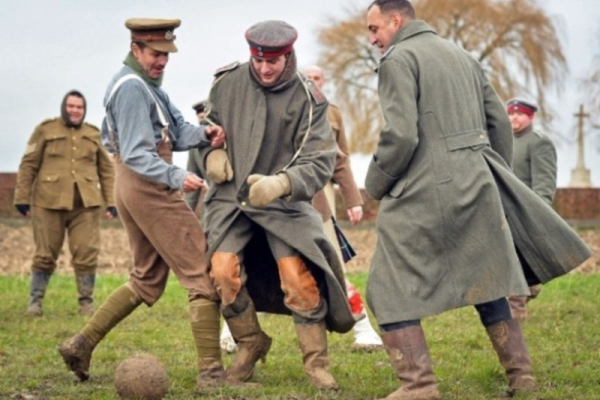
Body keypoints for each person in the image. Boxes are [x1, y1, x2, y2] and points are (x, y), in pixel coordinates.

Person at [364, 1, 591, 399]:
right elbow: (499, 121)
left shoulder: (397, 59)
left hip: (422, 189)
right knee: (486, 280)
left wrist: (376, 184)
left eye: (374, 28)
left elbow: (402, 135)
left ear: (395, 21)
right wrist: (490, 170)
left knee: (385, 285)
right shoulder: (461, 55)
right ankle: (522, 377)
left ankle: (418, 387)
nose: (372, 38)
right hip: (476, 181)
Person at [58, 18, 227, 389]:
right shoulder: (132, 88)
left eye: (166, 54)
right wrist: (176, 177)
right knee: (200, 272)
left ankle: (80, 344)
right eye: (155, 53)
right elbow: (137, 153)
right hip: (148, 184)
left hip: (133, 186)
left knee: (147, 278)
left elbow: (176, 132)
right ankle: (212, 376)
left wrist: (204, 134)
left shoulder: (148, 86)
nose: (162, 61)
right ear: (136, 49)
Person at [198, 20, 354, 390]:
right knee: (221, 271)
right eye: (258, 60)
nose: (265, 68)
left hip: (284, 206)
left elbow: (319, 161)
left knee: (297, 276)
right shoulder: (226, 84)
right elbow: (207, 130)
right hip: (232, 201)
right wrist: (211, 157)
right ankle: (251, 343)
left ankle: (317, 365)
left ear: (289, 55)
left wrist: (283, 183)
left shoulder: (310, 98)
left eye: (274, 61)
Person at [14, 90, 116, 317]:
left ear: (84, 110)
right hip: (48, 202)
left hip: (85, 205)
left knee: (87, 253)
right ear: (64, 107)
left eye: (79, 107)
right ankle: (35, 302)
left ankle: (86, 303)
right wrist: (22, 198)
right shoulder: (45, 130)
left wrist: (111, 202)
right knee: (45, 254)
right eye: (71, 106)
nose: (75, 110)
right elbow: (29, 164)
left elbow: (106, 170)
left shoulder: (93, 134)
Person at [303, 65, 383, 351]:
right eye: (307, 77)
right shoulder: (284, 105)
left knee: (332, 262)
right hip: (275, 195)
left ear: (323, 82)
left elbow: (341, 158)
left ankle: (363, 328)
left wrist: (352, 200)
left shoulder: (332, 113)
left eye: (316, 78)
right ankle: (232, 334)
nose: (311, 82)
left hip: (320, 195)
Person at [185, 100, 237, 354]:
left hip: (238, 212)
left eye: (206, 114)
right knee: (213, 271)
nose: (203, 119)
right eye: (199, 116)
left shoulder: (231, 137)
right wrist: (186, 217)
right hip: (212, 214)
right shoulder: (195, 146)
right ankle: (224, 329)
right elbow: (192, 185)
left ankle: (234, 330)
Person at [506, 98, 557, 320]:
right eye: (511, 113)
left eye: (520, 114)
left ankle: (516, 311)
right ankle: (532, 285)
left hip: (525, 213)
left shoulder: (539, 143)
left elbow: (544, 184)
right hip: (504, 211)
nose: (514, 118)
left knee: (516, 259)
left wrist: (538, 214)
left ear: (531, 117)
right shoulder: (504, 141)